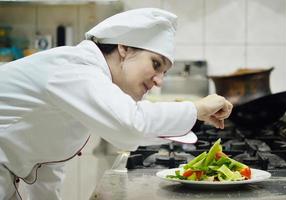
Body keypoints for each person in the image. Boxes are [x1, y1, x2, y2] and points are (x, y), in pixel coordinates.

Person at [0, 8, 232, 200]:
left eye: (164, 72)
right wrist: (196, 109)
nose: (159, 81)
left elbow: (46, 165)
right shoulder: (75, 67)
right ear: (124, 48)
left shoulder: (90, 81)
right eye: (156, 64)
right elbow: (130, 125)